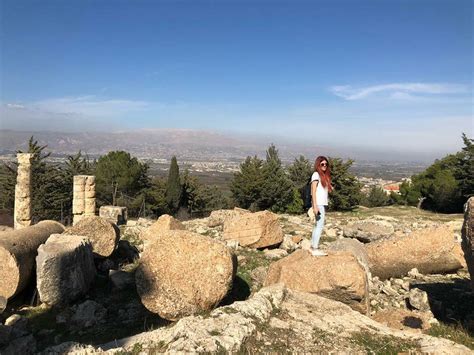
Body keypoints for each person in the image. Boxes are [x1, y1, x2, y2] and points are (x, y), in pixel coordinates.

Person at [310, 156, 333, 256]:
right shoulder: (316, 175)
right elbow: (313, 191)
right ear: (318, 165)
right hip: (318, 204)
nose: (324, 166)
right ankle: (315, 248)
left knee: (317, 226)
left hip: (321, 204)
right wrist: (315, 206)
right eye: (322, 164)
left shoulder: (323, 176)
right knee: (319, 226)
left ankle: (312, 246)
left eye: (326, 164)